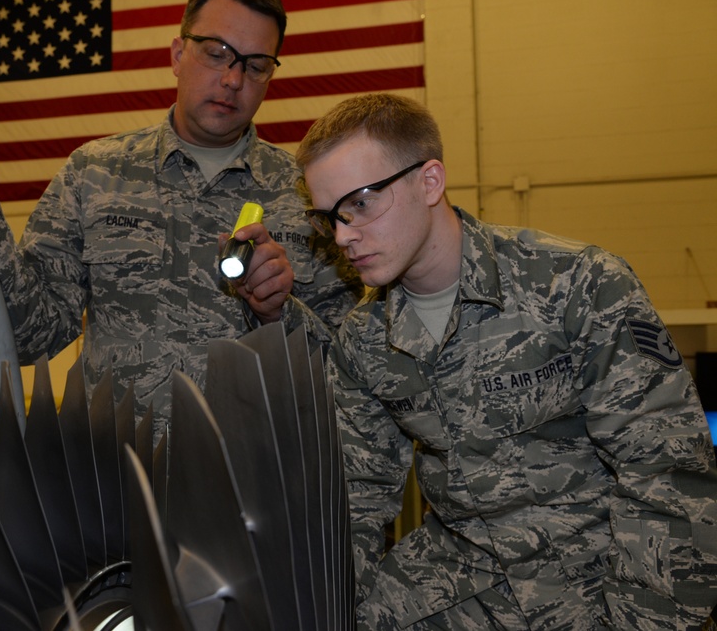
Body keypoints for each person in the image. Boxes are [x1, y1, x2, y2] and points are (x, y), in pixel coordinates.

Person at [295, 92, 717, 630]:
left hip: (599, 570)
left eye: (360, 203)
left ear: (429, 182)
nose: (343, 235)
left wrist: (643, 620)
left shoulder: (577, 283)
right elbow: (356, 495)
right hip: (463, 576)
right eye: (328, 215)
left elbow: (668, 470)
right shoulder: (363, 338)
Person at [0, 0, 363, 424]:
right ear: (178, 54)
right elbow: (28, 336)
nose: (233, 79)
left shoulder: (307, 198)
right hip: (119, 480)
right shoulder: (94, 174)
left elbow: (353, 374)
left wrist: (278, 314)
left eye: (255, 66)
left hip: (252, 483)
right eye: (216, 53)